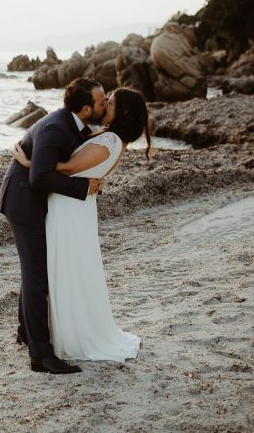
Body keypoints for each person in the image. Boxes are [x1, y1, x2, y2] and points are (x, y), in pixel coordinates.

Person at [13, 87, 152, 362]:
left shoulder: (110, 141)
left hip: (69, 211)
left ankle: (62, 332)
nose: (104, 105)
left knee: (64, 269)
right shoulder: (110, 138)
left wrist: (27, 161)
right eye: (105, 100)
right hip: (74, 207)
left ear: (121, 112)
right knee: (63, 269)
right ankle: (32, 330)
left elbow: (64, 167)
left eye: (109, 102)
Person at [0, 78, 107, 374]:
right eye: (102, 102)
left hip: (31, 200)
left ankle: (25, 332)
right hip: (23, 202)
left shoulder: (75, 125)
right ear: (86, 109)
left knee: (35, 272)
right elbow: (39, 177)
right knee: (37, 277)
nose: (105, 105)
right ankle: (40, 356)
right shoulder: (56, 127)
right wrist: (84, 187)